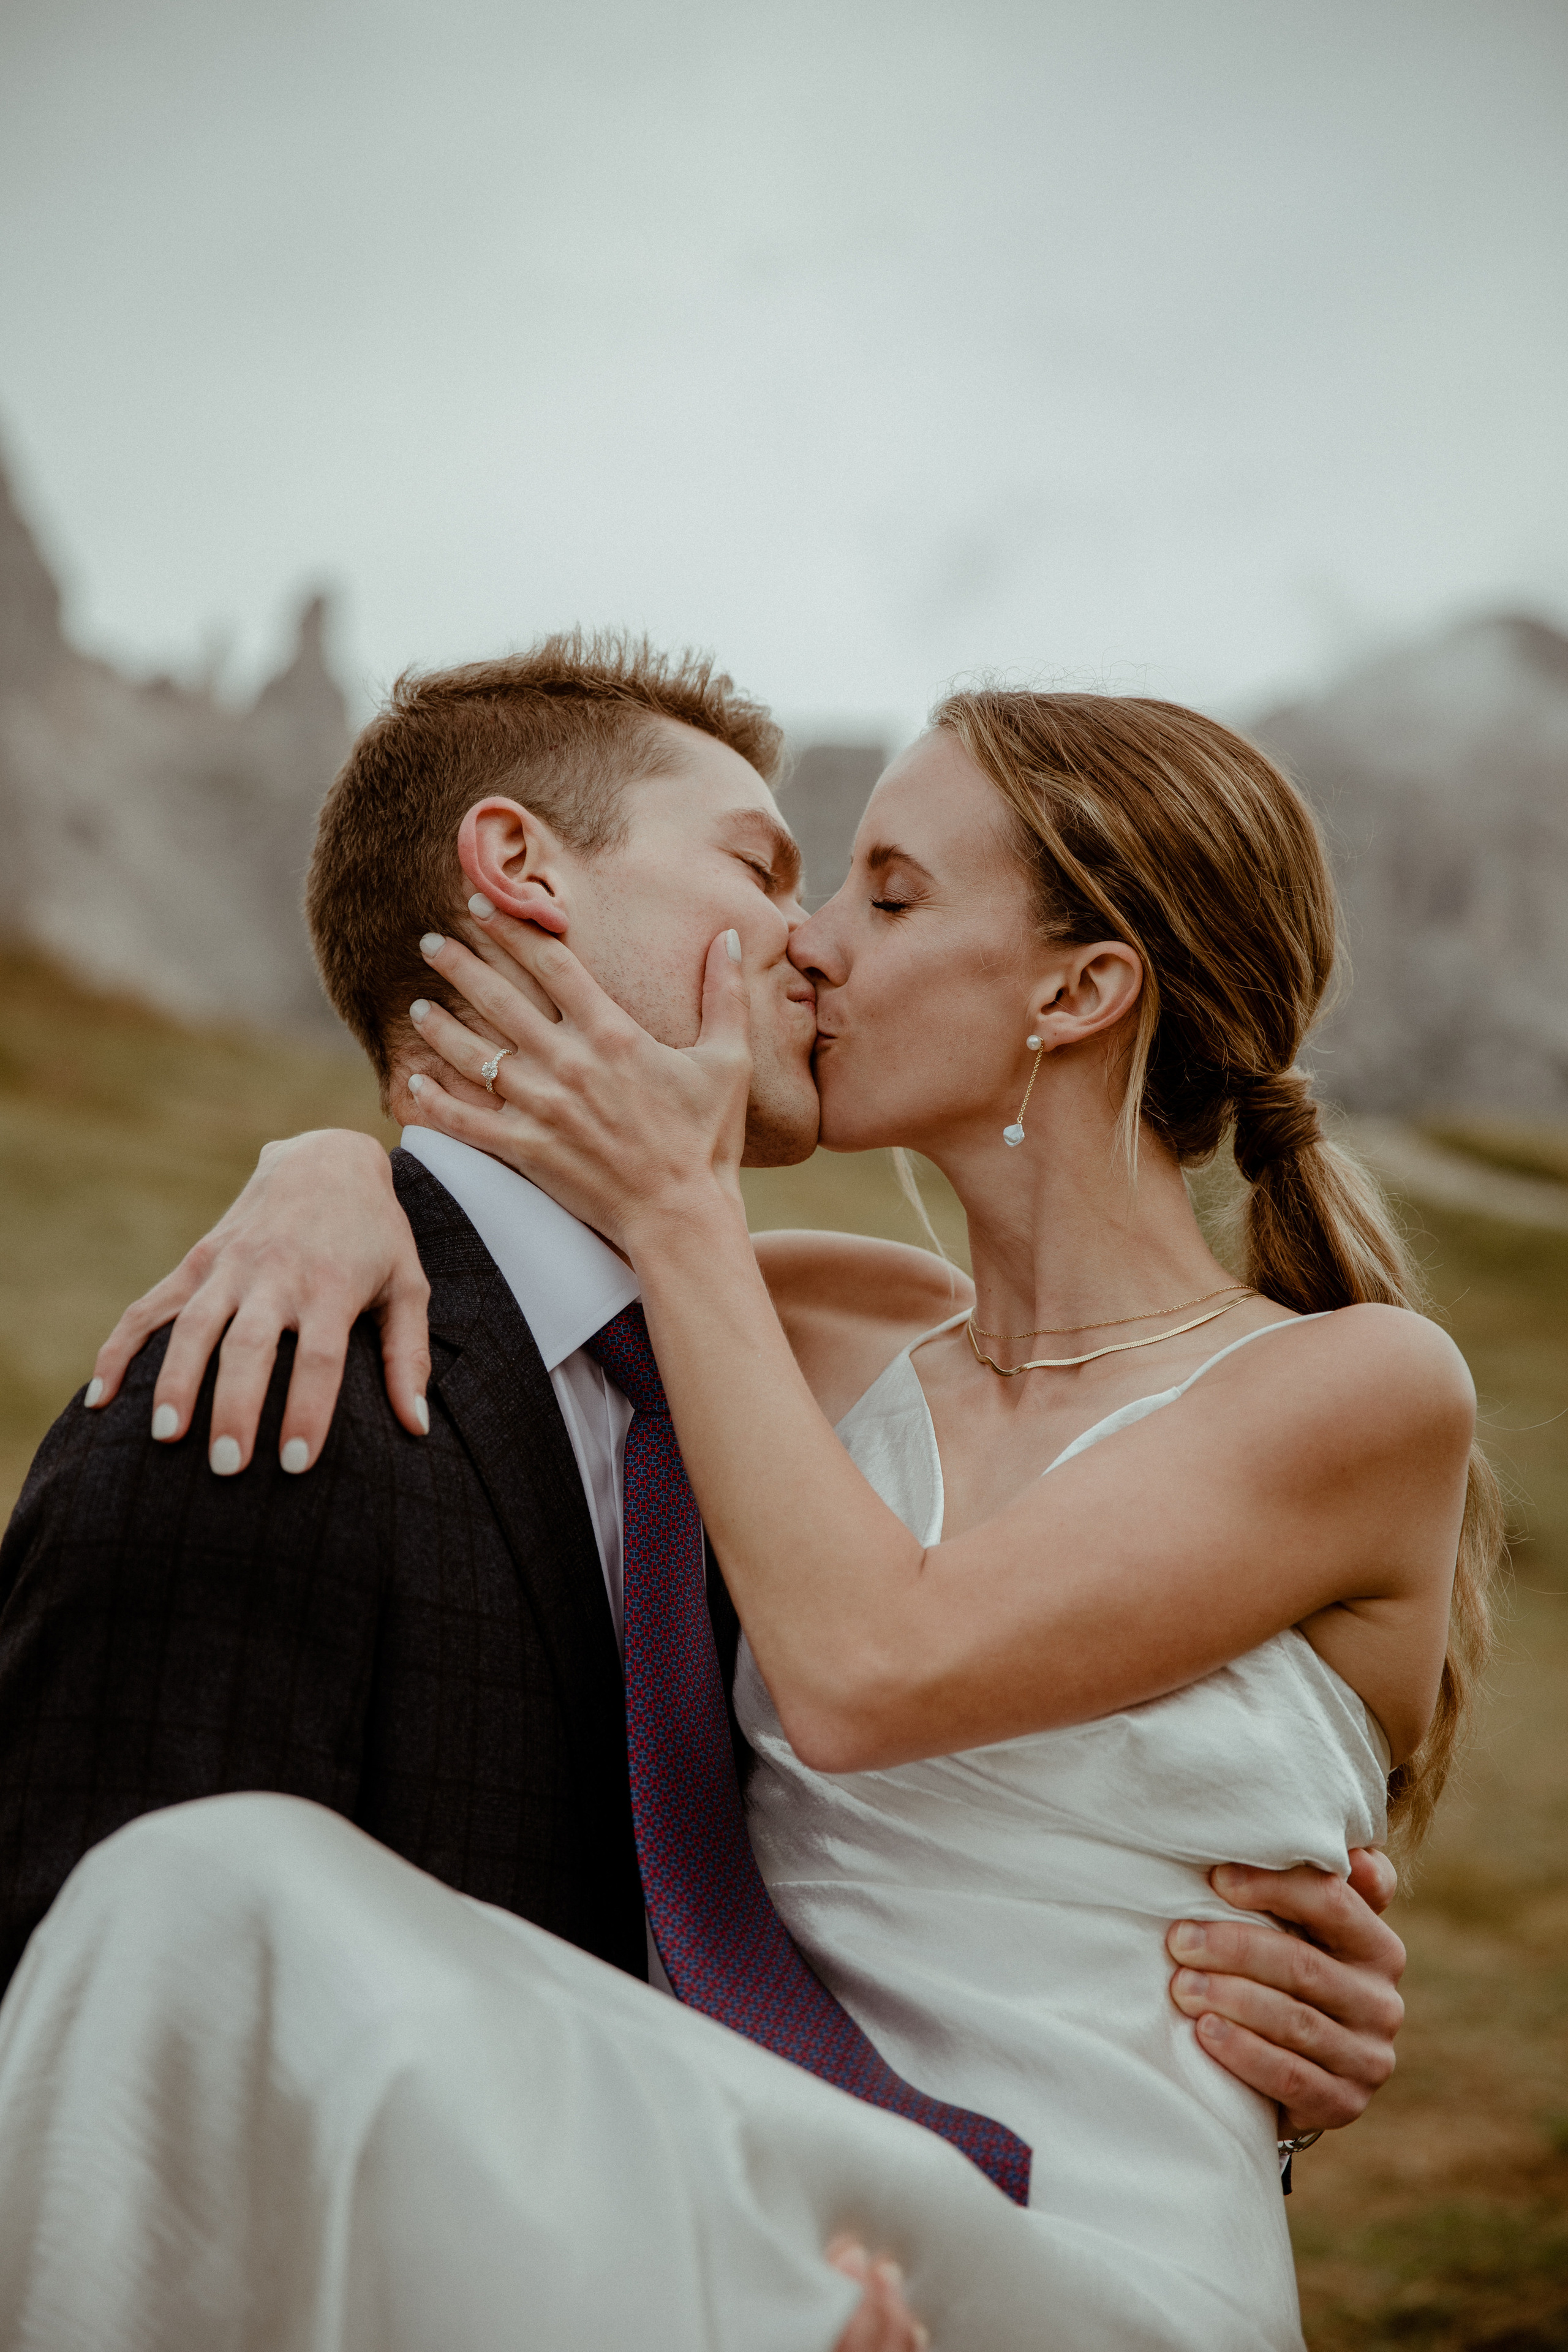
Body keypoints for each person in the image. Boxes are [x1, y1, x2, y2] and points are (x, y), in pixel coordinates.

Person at [0, 646, 1428, 2349]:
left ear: (1078, 990)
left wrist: (674, 1198)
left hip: (1081, 2259)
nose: (811, 943)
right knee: (194, 1891)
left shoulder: (1352, 1387)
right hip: (750, 2225)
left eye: (883, 895)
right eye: (780, 873)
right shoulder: (795, 1339)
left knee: (207, 1891)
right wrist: (324, 1175)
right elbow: (520, 1249)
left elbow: (871, 1672)